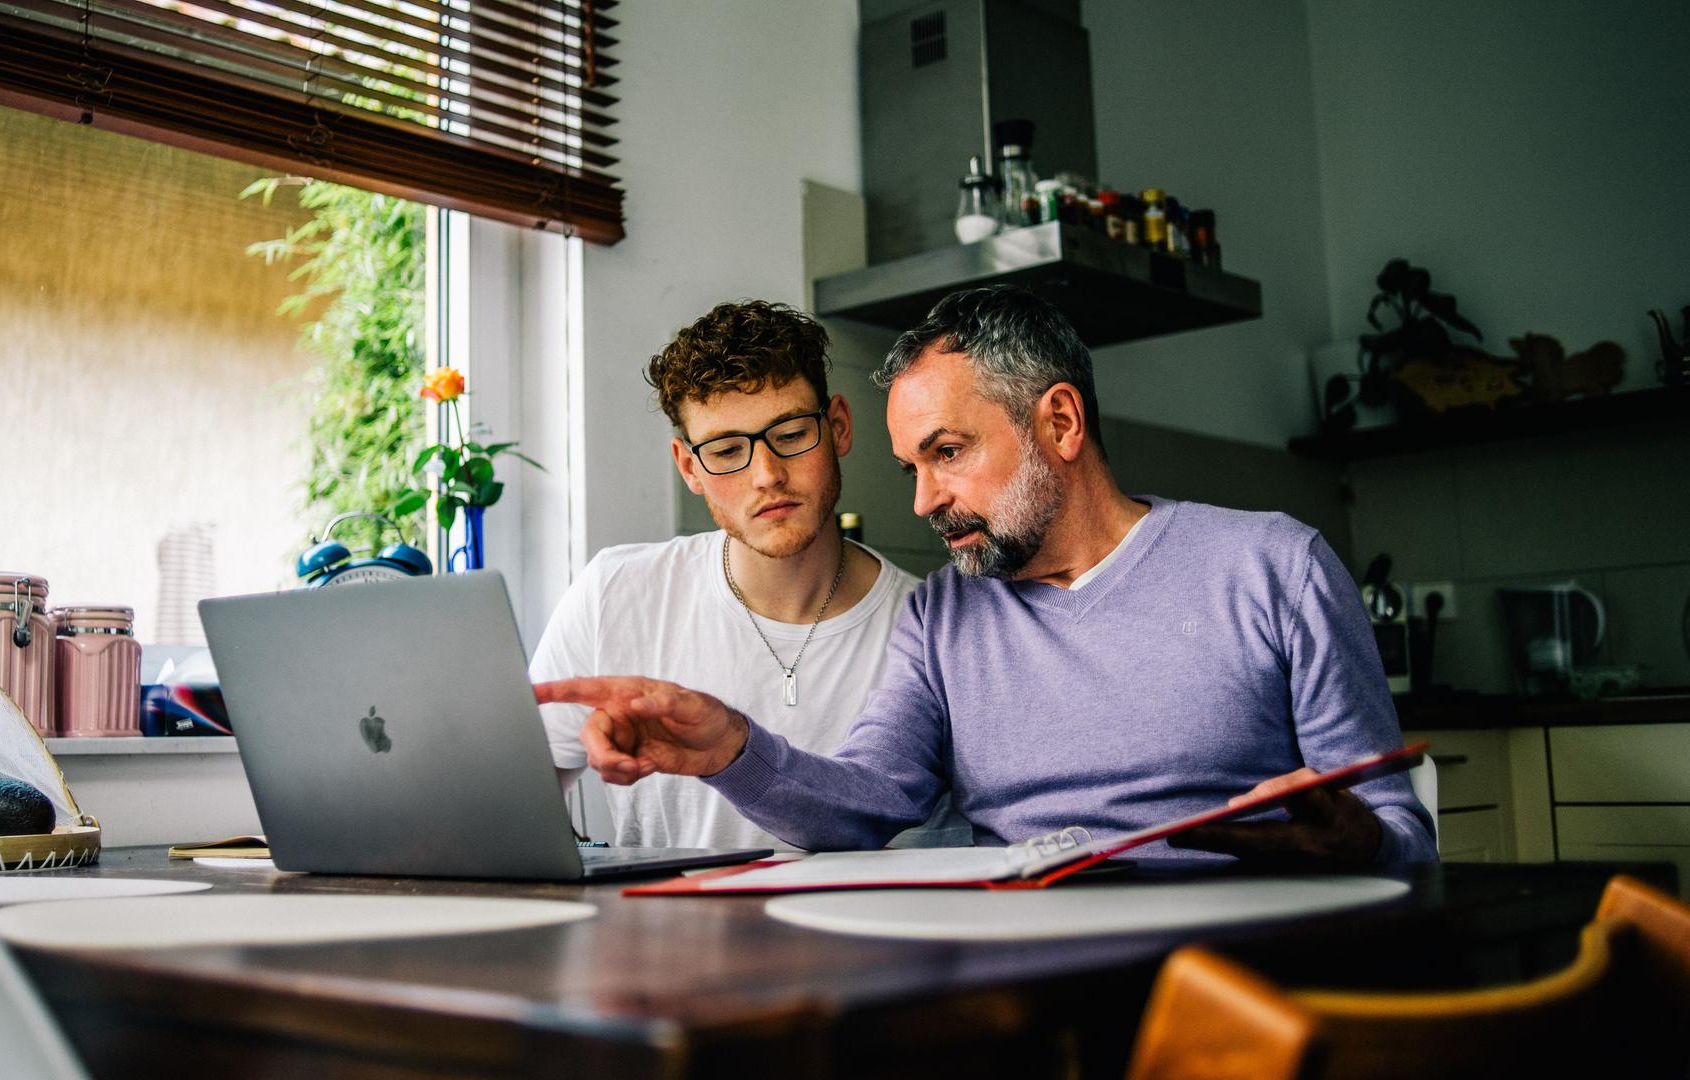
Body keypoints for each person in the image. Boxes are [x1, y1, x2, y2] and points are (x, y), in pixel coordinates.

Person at [537, 285, 1436, 866]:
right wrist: (733, 749)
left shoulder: (1274, 567)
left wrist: (1351, 838)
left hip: (1248, 983)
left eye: (949, 453)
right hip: (1033, 997)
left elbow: (1402, 838)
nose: (925, 502)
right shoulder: (945, 616)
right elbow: (860, 808)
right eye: (910, 469)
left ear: (1060, 423)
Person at [529, 300, 964, 852]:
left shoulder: (937, 628)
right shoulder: (614, 594)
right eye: (728, 450)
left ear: (838, 427)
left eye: (789, 434)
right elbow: (510, 802)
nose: (767, 475)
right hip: (663, 937)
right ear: (690, 468)